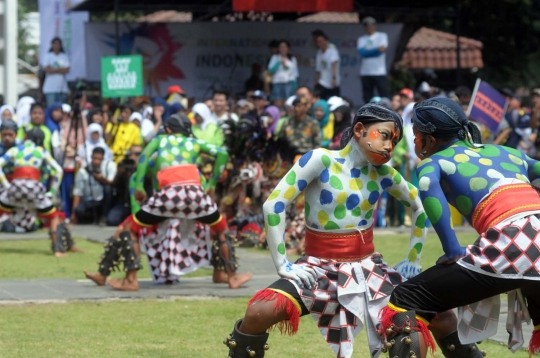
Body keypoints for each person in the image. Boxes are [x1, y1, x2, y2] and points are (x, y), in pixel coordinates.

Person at [224, 103, 449, 358]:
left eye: (395, 142)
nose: (389, 147)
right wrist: (283, 264)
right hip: (318, 268)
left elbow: (419, 207)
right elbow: (274, 204)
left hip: (369, 269)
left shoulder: (384, 173)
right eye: (385, 135)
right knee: (259, 312)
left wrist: (413, 259)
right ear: (359, 129)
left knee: (432, 321)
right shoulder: (321, 159)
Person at [378, 97, 540, 358]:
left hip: (511, 241)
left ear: (429, 140)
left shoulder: (435, 162)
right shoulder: (508, 153)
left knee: (405, 299)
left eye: (416, 135)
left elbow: (429, 188)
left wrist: (452, 248)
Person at [84, 114, 252, 291]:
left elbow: (143, 157)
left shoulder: (161, 141)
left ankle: (130, 279)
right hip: (193, 197)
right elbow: (222, 153)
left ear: (168, 130)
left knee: (128, 228)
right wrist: (212, 184)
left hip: (167, 198)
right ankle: (232, 276)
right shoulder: (194, 144)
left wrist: (140, 187)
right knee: (221, 228)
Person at [0, 127, 78, 256]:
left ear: (26, 138)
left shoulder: (15, 149)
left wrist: (7, 185)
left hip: (15, 189)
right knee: (54, 216)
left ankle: (67, 245)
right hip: (34, 190)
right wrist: (51, 191)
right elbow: (58, 170)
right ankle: (58, 249)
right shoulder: (41, 151)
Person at [71, 147, 116, 225]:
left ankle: (104, 217)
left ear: (103, 159)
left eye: (99, 159)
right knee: (79, 210)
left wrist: (102, 179)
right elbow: (77, 193)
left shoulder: (109, 166)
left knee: (108, 189)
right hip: (90, 201)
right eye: (95, 158)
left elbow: (113, 183)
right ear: (91, 157)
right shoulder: (83, 171)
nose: (96, 161)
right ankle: (91, 220)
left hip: (104, 201)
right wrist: (74, 214)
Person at [106, 145, 142, 226]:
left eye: (137, 154)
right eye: (131, 154)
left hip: (140, 204)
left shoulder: (146, 168)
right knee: (112, 220)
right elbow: (114, 185)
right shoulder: (125, 168)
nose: (134, 157)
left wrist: (138, 167)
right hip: (124, 203)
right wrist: (120, 172)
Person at [357, 17, 390, 104]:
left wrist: (369, 52)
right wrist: (376, 50)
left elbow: (382, 50)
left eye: (370, 25)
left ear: (374, 25)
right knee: (367, 97)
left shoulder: (382, 36)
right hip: (366, 72)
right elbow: (362, 53)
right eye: (366, 26)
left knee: (384, 96)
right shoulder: (361, 39)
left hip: (379, 72)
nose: (368, 28)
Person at [279, 97, 321, 163]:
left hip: (307, 156)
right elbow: (281, 141)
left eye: (299, 106)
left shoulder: (313, 123)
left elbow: (317, 144)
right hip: (290, 156)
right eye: (295, 106)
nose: (296, 109)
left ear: (305, 108)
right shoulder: (287, 123)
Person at [268, 41, 299, 107]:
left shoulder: (293, 59)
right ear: (279, 49)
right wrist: (279, 62)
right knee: (278, 103)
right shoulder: (275, 57)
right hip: (278, 83)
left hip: (289, 83)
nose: (283, 49)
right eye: (281, 47)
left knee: (289, 102)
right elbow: (271, 70)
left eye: (284, 47)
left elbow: (295, 74)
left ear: (288, 48)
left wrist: (295, 86)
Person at [42, 37, 70, 105]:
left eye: (58, 44)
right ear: (52, 45)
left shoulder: (64, 56)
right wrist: (60, 70)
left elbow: (66, 70)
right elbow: (47, 69)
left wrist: (52, 69)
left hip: (62, 88)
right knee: (51, 109)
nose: (57, 46)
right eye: (55, 44)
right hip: (50, 88)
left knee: (61, 109)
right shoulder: (48, 56)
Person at [314, 31, 341, 100]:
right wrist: (316, 83)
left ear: (326, 41)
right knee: (322, 100)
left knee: (334, 100)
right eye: (318, 42)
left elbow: (334, 65)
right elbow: (318, 70)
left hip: (332, 82)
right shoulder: (319, 53)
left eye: (321, 41)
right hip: (322, 82)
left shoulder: (332, 51)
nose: (319, 43)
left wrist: (334, 78)